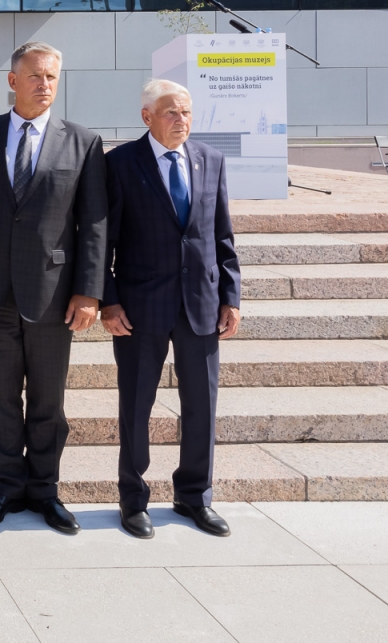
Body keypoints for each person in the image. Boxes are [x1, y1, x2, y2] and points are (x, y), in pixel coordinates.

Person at [0, 41, 107, 535]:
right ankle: (6, 487)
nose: (44, 85)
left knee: (47, 400)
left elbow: (94, 224)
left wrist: (90, 291)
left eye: (52, 78)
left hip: (55, 292)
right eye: (35, 76)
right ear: (13, 81)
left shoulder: (83, 141)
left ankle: (44, 490)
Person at [103, 79, 242, 539]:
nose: (180, 120)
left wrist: (231, 296)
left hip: (200, 304)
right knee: (137, 404)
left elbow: (221, 236)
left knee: (201, 404)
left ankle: (194, 496)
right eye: (170, 112)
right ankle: (133, 499)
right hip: (140, 307)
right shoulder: (119, 164)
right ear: (147, 117)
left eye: (185, 112)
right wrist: (108, 299)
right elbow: (103, 241)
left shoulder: (210, 160)